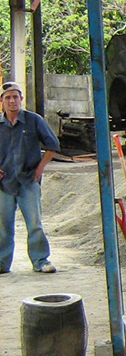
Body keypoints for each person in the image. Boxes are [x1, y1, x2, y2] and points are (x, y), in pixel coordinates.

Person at [0, 81, 60, 274]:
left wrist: (40, 168)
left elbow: (52, 145)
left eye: (15, 97)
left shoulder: (33, 120)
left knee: (34, 224)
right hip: (4, 183)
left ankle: (40, 261)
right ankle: (2, 263)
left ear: (21, 99)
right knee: (3, 225)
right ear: (1, 101)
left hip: (29, 181)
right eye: (7, 97)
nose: (12, 101)